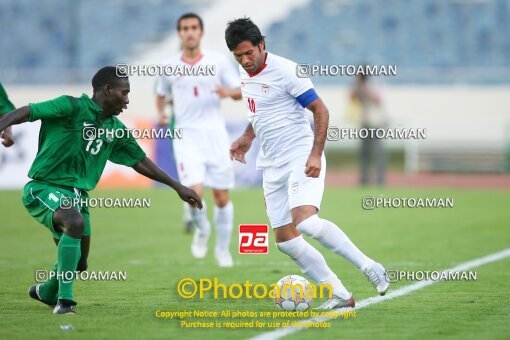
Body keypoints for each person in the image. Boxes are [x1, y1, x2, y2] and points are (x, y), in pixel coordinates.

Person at [0, 66, 202, 314]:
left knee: (81, 264)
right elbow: (27, 111)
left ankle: (45, 291)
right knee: (74, 222)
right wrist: (3, 124)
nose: (127, 100)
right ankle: (65, 301)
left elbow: (138, 160)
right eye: (124, 93)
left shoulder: (115, 127)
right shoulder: (70, 106)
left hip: (78, 196)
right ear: (107, 89)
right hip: (44, 187)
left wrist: (176, 186)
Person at [225, 18, 389, 310]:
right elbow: (259, 111)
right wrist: (247, 137)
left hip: (300, 154)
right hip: (271, 164)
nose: (245, 60)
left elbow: (320, 109)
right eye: (239, 56)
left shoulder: (288, 71)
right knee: (286, 241)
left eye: (249, 53)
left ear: (262, 44)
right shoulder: (243, 70)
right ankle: (338, 293)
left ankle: (369, 266)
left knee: (307, 222)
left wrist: (315, 154)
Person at [156, 13, 242, 267]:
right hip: (187, 137)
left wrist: (228, 92)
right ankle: (202, 230)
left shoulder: (218, 62)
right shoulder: (168, 66)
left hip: (215, 136)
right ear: (179, 33)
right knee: (194, 193)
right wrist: (161, 112)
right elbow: (161, 94)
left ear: (201, 32)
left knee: (222, 198)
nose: (190, 32)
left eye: (194, 27)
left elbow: (240, 90)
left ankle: (222, 250)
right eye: (184, 28)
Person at [350, 73, 387, 185]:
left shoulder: (375, 85)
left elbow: (378, 100)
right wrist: (358, 88)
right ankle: (364, 179)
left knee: (378, 152)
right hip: (365, 124)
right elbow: (352, 98)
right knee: (364, 153)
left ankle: (380, 179)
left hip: (376, 124)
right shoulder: (358, 87)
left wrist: (367, 89)